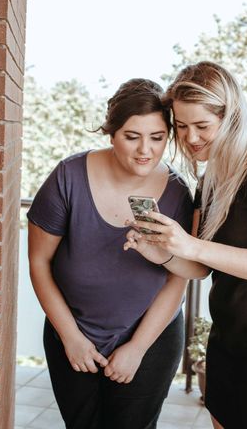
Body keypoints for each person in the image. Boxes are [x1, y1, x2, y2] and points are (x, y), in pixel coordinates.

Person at [124, 61, 247, 428]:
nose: (191, 138)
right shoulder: (211, 177)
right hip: (229, 338)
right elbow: (199, 268)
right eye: (182, 127)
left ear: (231, 116)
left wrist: (190, 246)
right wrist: (163, 252)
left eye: (202, 126)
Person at [27, 78, 193, 429]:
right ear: (111, 133)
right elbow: (39, 263)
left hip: (151, 337)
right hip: (71, 331)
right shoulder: (68, 177)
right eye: (132, 136)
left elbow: (178, 278)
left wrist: (137, 348)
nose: (145, 150)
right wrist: (71, 338)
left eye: (158, 138)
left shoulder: (178, 193)